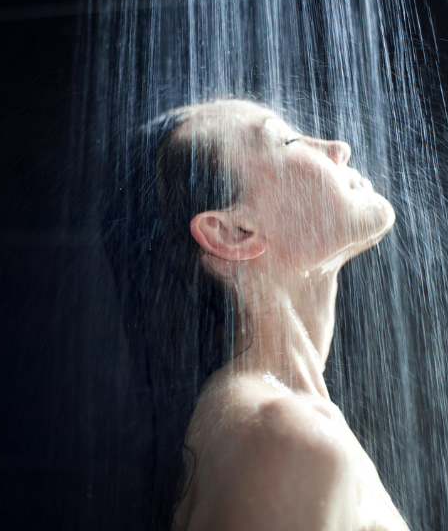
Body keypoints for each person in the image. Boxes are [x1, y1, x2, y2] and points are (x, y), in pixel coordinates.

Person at [103, 99, 408, 531]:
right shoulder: (286, 439)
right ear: (232, 233)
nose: (338, 148)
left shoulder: (268, 422)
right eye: (289, 140)